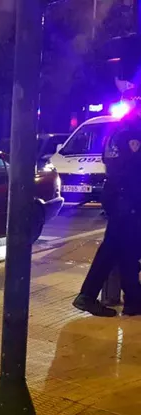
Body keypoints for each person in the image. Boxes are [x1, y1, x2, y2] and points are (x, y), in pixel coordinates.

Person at [73, 106, 141, 317]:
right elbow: (134, 168)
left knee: (126, 250)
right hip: (126, 199)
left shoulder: (115, 133)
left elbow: (108, 162)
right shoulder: (133, 133)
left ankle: (132, 300)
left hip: (116, 196)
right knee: (113, 249)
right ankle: (87, 296)